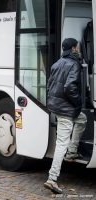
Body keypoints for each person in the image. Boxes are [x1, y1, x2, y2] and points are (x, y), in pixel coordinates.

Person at [44, 38, 87, 194]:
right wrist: (77, 104)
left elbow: (50, 84)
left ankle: (73, 150)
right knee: (62, 143)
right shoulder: (74, 64)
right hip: (66, 109)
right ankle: (52, 179)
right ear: (73, 49)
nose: (78, 49)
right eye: (77, 47)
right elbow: (70, 87)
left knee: (82, 119)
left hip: (57, 106)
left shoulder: (57, 63)